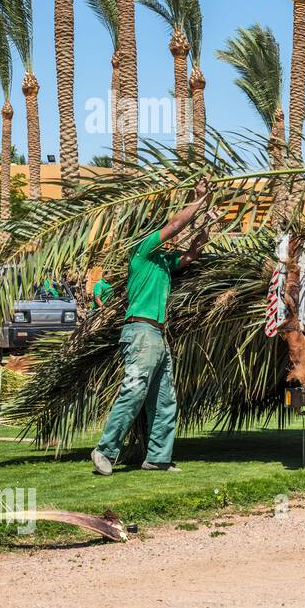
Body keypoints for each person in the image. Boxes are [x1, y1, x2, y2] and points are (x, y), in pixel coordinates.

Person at [91, 182, 214, 476]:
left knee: (164, 399)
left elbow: (191, 254)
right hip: (140, 332)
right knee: (134, 391)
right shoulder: (142, 251)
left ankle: (157, 457)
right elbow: (175, 225)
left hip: (157, 335)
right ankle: (105, 450)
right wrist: (198, 198)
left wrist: (207, 220)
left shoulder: (161, 263)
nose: (167, 238)